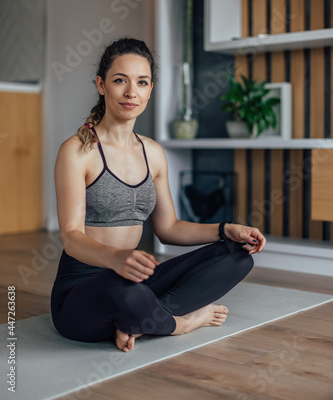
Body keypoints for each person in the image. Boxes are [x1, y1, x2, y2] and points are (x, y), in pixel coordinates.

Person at [51, 37, 266, 353]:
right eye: (119, 80)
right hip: (83, 291)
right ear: (101, 84)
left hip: (135, 279)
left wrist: (225, 229)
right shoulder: (77, 151)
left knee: (237, 256)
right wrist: (117, 258)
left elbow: (169, 229)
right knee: (122, 288)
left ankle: (138, 320)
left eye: (141, 82)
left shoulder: (153, 153)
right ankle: (180, 323)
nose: (131, 92)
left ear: (150, 90)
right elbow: (70, 236)